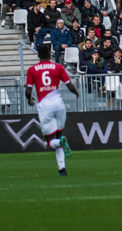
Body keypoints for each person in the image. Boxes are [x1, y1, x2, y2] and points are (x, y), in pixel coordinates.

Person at [25, 45, 79, 175]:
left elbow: (28, 91)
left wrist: (29, 99)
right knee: (59, 134)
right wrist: (76, 93)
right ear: (50, 54)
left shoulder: (32, 70)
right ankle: (62, 169)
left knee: (50, 141)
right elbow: (69, 85)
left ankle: (60, 143)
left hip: (45, 106)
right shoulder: (58, 67)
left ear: (38, 55)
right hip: (59, 104)